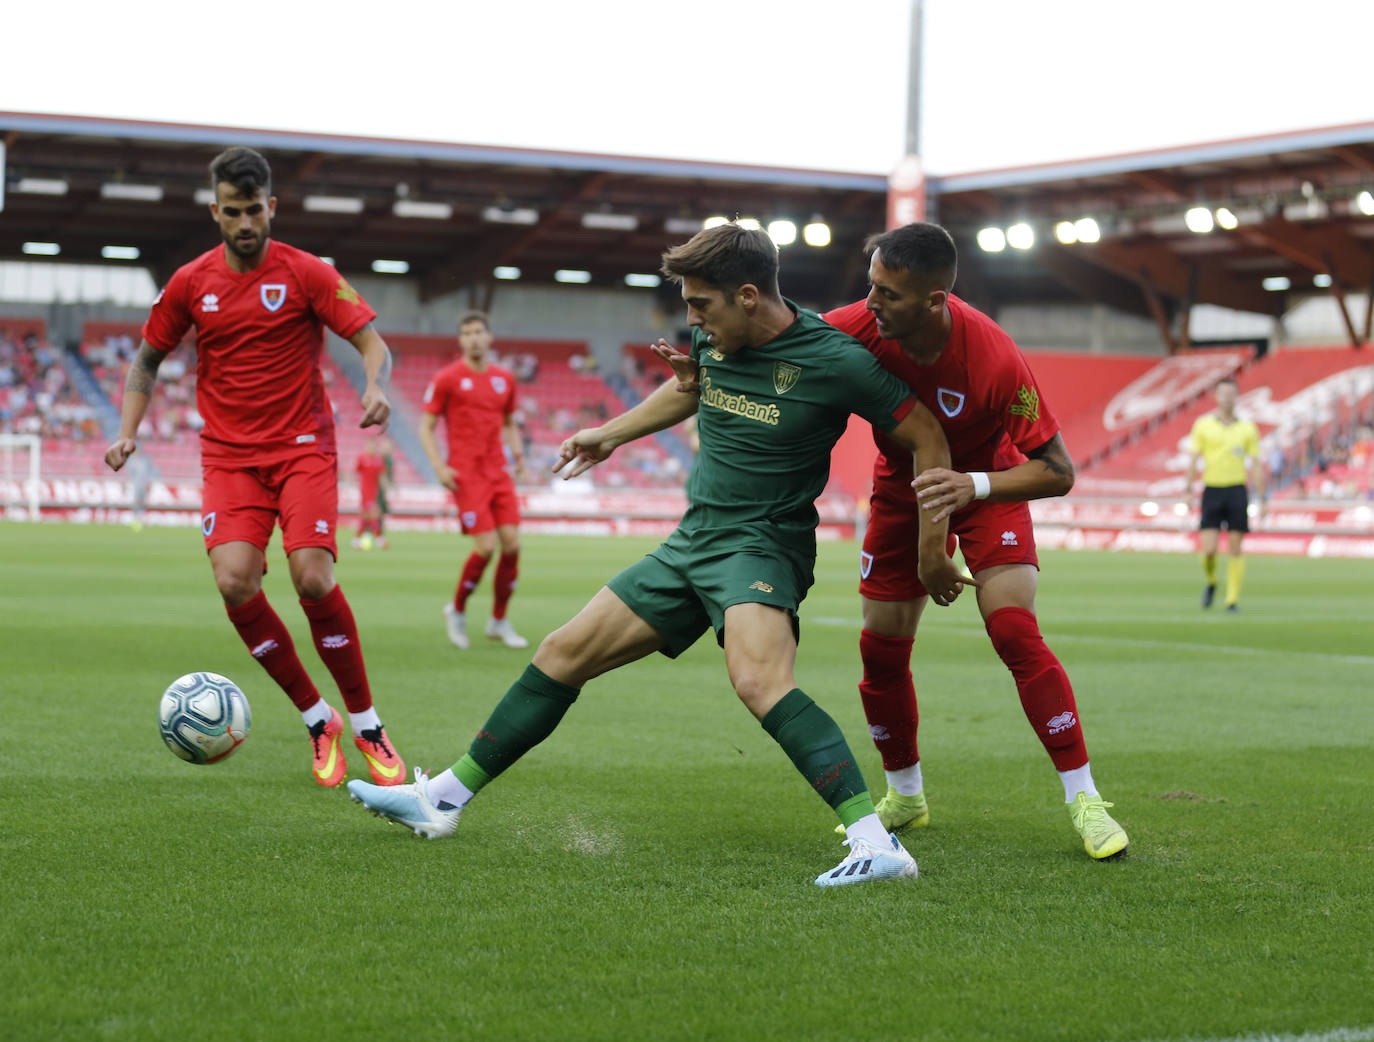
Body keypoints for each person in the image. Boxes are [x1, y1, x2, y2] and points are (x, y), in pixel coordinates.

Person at [348, 223, 971, 887]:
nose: (691, 317)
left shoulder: (834, 359)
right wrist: (608, 435)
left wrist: (933, 549)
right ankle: (440, 799)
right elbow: (690, 387)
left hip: (761, 543)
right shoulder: (715, 336)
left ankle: (878, 846)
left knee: (759, 681)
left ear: (751, 297)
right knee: (562, 652)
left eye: (702, 304)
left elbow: (928, 437)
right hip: (693, 540)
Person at [820, 222, 1128, 860]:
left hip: (988, 487)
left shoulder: (993, 358)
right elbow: (780, 340)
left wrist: (977, 486)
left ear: (935, 301)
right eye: (869, 287)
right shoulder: (860, 323)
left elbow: (1059, 470)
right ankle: (906, 793)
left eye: (888, 295)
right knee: (879, 651)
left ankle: (1085, 799)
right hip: (901, 491)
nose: (871, 305)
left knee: (1015, 631)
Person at [104, 146, 406, 789]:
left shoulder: (307, 273)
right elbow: (146, 360)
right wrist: (128, 432)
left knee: (314, 577)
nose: (245, 223)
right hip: (230, 457)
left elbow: (371, 341)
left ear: (273, 207)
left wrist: (376, 386)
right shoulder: (190, 282)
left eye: (255, 211)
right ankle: (317, 718)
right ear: (216, 211)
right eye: (232, 212)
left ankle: (368, 725)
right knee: (236, 581)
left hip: (302, 448)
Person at [418, 311, 529, 649]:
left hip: (498, 471)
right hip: (466, 475)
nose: (474, 338)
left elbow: (509, 422)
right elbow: (426, 426)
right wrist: (439, 467)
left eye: (479, 331)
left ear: (489, 337)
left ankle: (498, 621)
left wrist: (519, 455)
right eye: (467, 333)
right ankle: (458, 610)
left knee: (512, 544)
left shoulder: (504, 379)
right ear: (460, 340)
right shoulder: (447, 378)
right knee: (486, 546)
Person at [1183, 377, 1264, 612]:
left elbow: (1256, 463)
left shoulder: (1247, 428)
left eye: (1231, 394)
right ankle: (1211, 581)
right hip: (1212, 490)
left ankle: (1232, 600)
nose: (1227, 398)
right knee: (1208, 550)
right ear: (1217, 397)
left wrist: (1263, 497)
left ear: (1236, 397)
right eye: (1223, 394)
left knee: (1235, 548)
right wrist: (1188, 490)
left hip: (1237, 490)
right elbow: (1193, 460)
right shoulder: (1203, 425)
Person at [353, 431, 391, 550]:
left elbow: (382, 477)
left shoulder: (378, 460)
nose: (372, 447)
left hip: (373, 492)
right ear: (366, 445)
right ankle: (380, 540)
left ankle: (357, 540)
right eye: (370, 445)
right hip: (365, 492)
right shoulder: (362, 458)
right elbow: (355, 473)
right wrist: (351, 487)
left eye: (374, 445)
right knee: (373, 515)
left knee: (366, 517)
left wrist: (385, 492)